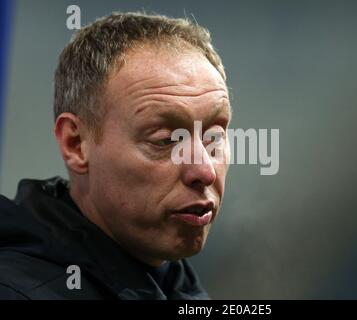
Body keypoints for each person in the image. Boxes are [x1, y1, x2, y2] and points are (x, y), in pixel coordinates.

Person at [0, 12, 231, 299]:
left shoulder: (173, 282)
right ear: (76, 144)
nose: (205, 171)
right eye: (166, 139)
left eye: (214, 137)